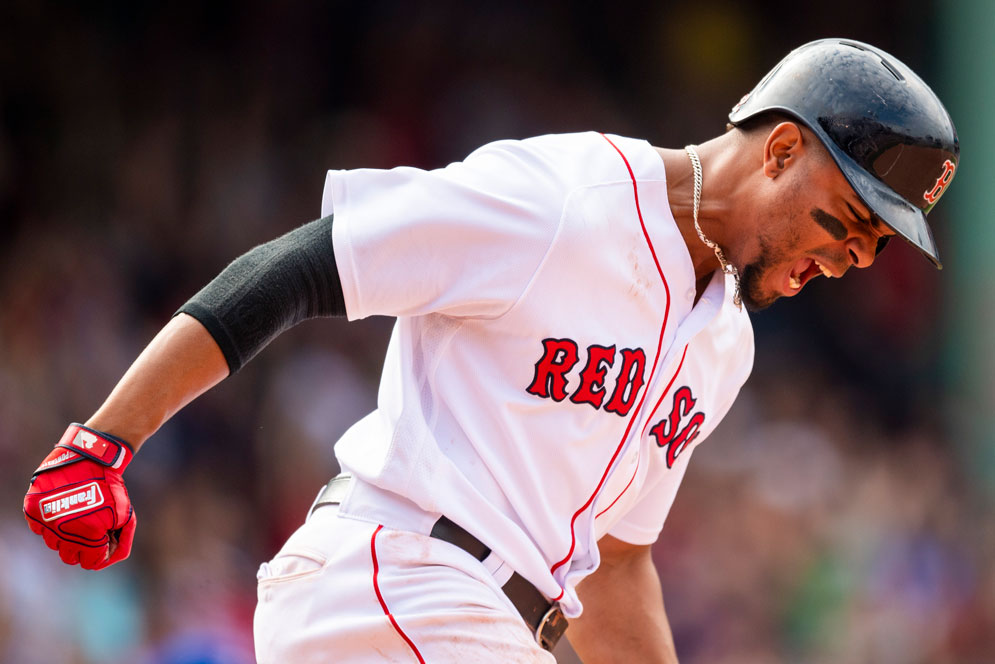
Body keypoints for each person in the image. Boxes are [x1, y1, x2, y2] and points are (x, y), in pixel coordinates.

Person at [23, 38, 958, 663]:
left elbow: (619, 569)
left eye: (872, 246)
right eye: (845, 221)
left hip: (482, 622)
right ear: (782, 149)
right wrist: (104, 440)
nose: (847, 257)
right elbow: (305, 267)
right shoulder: (561, 198)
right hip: (392, 577)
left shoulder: (723, 345)